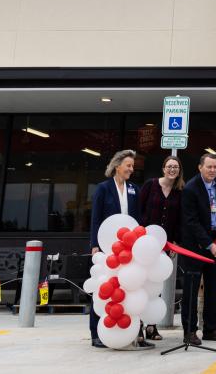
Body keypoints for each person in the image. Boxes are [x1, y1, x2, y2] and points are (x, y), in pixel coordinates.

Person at [89, 149, 145, 348]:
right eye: (128, 165)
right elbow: (95, 218)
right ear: (117, 166)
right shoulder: (103, 189)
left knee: (131, 287)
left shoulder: (134, 189)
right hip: (107, 246)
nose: (131, 169)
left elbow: (138, 218)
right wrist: (94, 245)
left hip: (128, 248)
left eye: (132, 165)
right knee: (104, 287)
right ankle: (96, 332)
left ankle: (135, 334)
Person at [179, 153, 216, 345]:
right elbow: (191, 222)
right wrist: (209, 246)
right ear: (200, 167)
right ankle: (190, 331)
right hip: (195, 245)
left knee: (213, 287)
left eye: (215, 167)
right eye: (209, 167)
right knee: (191, 290)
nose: (212, 171)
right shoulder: (191, 188)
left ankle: (211, 329)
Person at [138, 155, 184, 341]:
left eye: (176, 167)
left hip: (164, 246)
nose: (172, 170)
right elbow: (139, 210)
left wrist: (175, 243)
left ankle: (151, 326)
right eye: (169, 166)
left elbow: (179, 220)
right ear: (163, 168)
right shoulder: (150, 185)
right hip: (144, 243)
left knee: (155, 286)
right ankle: (138, 326)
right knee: (141, 283)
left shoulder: (179, 191)